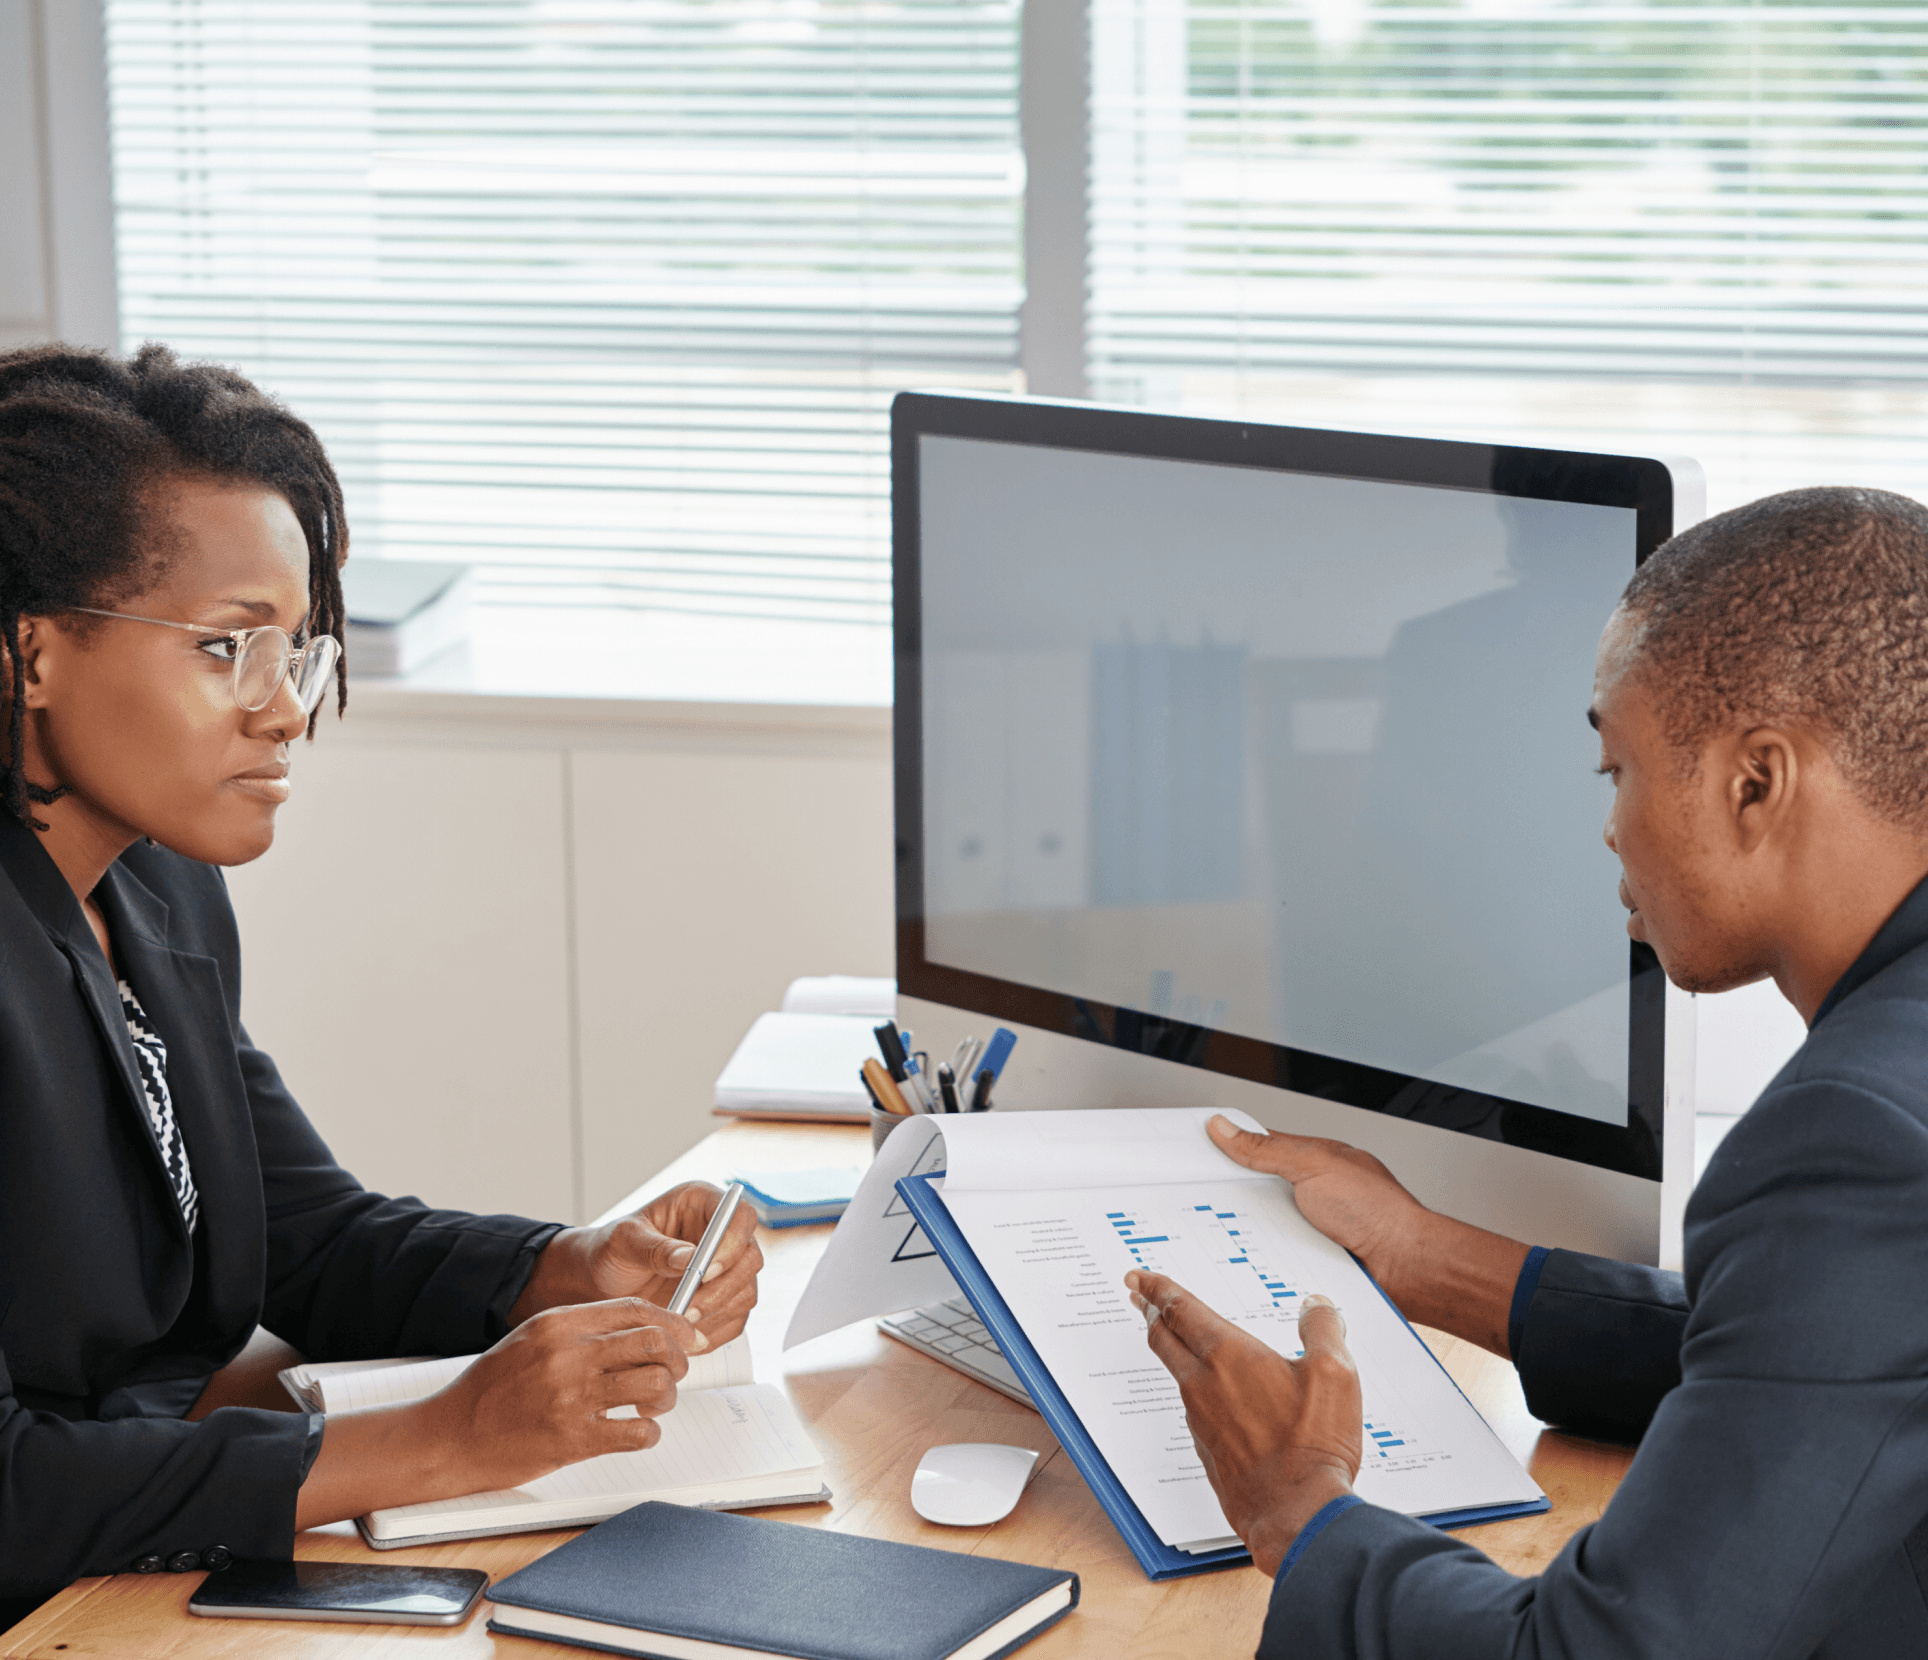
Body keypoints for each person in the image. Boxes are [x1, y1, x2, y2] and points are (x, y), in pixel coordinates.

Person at [0, 343, 761, 1622]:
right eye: (225, 648)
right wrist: (445, 1435)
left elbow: (299, 1237)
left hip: (132, 1554)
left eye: (295, 650)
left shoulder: (158, 887)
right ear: (30, 656)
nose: (286, 710)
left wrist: (566, 1269)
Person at [1127, 485, 1928, 1657]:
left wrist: (1296, 1507)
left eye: (1619, 771)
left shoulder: (1854, 1136)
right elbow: (1821, 1361)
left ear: (1754, 784)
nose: (1609, 828)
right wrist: (1417, 1254)